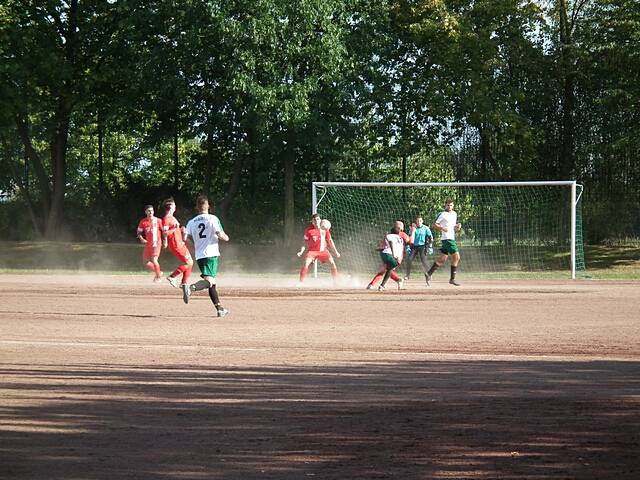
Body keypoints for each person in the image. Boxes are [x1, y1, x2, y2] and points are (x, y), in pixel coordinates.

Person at [184, 195, 230, 317]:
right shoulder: (213, 218)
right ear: (208, 206)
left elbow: (186, 238)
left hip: (200, 256)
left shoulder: (191, 222)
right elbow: (220, 234)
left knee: (212, 283)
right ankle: (190, 288)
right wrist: (226, 237)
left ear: (197, 207)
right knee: (210, 282)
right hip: (211, 254)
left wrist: (194, 247)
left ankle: (220, 309)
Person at [161, 197, 193, 304]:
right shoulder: (166, 219)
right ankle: (172, 276)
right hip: (176, 245)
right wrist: (174, 230)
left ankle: (184, 283)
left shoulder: (172, 218)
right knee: (188, 263)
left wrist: (181, 230)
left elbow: (173, 230)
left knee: (190, 263)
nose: (175, 207)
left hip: (180, 243)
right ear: (170, 207)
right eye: (174, 205)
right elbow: (165, 233)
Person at [426, 198, 462, 286]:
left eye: (451, 205)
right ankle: (452, 279)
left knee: (442, 259)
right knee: (457, 257)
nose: (449, 207)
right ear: (445, 205)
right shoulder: (442, 214)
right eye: (448, 205)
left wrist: (457, 227)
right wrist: (442, 228)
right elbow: (434, 225)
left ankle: (428, 274)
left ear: (453, 206)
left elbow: (453, 227)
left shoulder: (454, 214)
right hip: (447, 238)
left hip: (451, 237)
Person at [296, 213, 340, 284]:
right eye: (314, 220)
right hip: (312, 252)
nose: (316, 221)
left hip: (323, 251)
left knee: (332, 264)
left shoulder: (325, 229)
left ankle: (335, 282)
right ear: (312, 221)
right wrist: (301, 251)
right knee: (305, 264)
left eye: (318, 219)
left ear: (320, 220)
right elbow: (304, 243)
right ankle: (300, 283)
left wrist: (336, 252)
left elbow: (330, 241)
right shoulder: (308, 230)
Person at [366, 220, 410, 291]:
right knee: (386, 269)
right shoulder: (391, 235)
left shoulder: (402, 235)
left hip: (396, 256)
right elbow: (385, 246)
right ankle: (397, 280)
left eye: (398, 226)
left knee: (384, 269)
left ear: (401, 228)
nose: (397, 228)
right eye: (396, 226)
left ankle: (373, 284)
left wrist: (413, 232)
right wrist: (378, 249)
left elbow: (410, 241)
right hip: (390, 254)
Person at [136, 205, 163, 282]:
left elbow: (164, 231)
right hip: (148, 244)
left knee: (154, 260)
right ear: (145, 212)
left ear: (154, 211)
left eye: (152, 210)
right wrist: (142, 239)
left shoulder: (158, 221)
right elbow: (139, 232)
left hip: (156, 243)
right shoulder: (143, 222)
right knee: (145, 261)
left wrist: (165, 241)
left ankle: (158, 277)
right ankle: (159, 272)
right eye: (149, 210)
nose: (150, 212)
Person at [404, 216, 434, 281]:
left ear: (422, 221)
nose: (419, 222)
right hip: (414, 246)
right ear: (416, 222)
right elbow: (409, 237)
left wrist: (430, 246)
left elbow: (430, 237)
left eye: (420, 221)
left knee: (424, 260)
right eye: (417, 221)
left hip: (422, 246)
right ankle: (407, 275)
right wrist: (408, 246)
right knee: (409, 259)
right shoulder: (413, 229)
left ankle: (430, 274)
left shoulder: (426, 228)